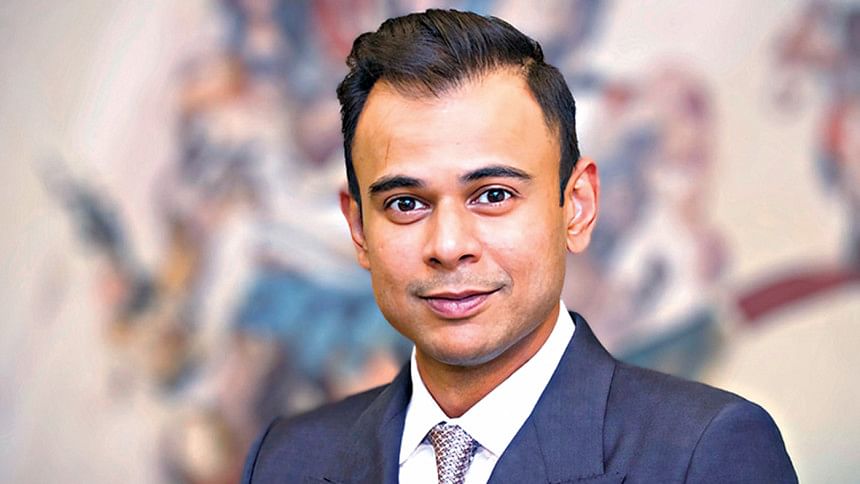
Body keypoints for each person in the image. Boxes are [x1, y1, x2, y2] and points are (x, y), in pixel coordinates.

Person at [242, 9, 797, 483]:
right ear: (359, 228)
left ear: (576, 206)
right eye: (406, 203)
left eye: (493, 195)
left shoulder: (703, 453)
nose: (449, 245)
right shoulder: (287, 460)